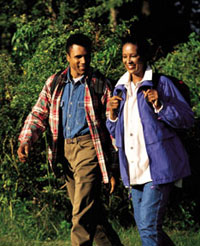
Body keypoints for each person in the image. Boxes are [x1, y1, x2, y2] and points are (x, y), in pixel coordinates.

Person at [17, 33, 123, 246]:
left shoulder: (100, 84)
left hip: (89, 150)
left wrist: (113, 167)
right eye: (78, 57)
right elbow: (39, 114)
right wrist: (26, 140)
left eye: (86, 56)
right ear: (68, 57)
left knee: (80, 212)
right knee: (91, 213)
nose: (83, 61)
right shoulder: (55, 83)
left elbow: (113, 128)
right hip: (64, 150)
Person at [106, 35, 194, 246]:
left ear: (142, 56)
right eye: (125, 56)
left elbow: (187, 119)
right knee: (149, 228)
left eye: (133, 56)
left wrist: (160, 104)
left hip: (158, 168)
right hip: (133, 170)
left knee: (147, 227)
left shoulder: (160, 83)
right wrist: (112, 114)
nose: (129, 61)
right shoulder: (120, 89)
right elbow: (115, 131)